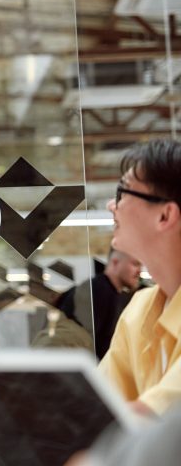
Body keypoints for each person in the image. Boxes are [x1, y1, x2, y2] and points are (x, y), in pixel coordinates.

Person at [99, 139, 181, 416]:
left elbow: (156, 418)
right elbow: (99, 408)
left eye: (122, 193)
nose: (113, 205)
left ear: (165, 215)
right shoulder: (139, 309)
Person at [57, 248, 143, 359]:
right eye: (135, 264)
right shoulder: (97, 291)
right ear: (115, 262)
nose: (139, 271)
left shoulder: (107, 292)